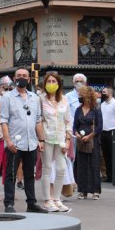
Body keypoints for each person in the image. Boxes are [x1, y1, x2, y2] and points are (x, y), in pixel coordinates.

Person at [0, 67, 47, 213]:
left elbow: (38, 120)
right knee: (11, 174)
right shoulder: (7, 97)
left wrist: (41, 139)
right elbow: (4, 121)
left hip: (31, 142)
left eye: (24, 76)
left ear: (28, 79)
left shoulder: (35, 97)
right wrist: (8, 141)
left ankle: (31, 203)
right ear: (14, 79)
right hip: (15, 143)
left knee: (29, 174)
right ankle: (9, 203)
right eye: (18, 75)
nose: (21, 78)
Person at [38, 72, 72, 210]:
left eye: (54, 81)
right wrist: (40, 139)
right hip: (46, 138)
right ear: (45, 84)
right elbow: (38, 120)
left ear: (58, 84)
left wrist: (68, 140)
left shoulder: (64, 100)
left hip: (61, 139)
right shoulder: (40, 99)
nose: (51, 84)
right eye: (49, 81)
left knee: (61, 169)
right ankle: (48, 199)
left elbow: (68, 120)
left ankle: (57, 199)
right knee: (46, 168)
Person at [73, 85, 102, 202]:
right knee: (81, 165)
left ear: (87, 96)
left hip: (92, 140)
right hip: (80, 140)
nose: (79, 97)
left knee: (94, 165)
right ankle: (82, 190)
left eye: (81, 95)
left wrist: (89, 136)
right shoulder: (78, 109)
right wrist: (77, 134)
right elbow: (74, 125)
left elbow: (100, 126)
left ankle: (95, 191)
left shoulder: (96, 109)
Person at [100, 86, 115, 183]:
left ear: (109, 93)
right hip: (103, 132)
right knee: (106, 155)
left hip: (112, 132)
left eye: (104, 92)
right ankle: (108, 176)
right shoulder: (102, 104)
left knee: (113, 155)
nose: (102, 94)